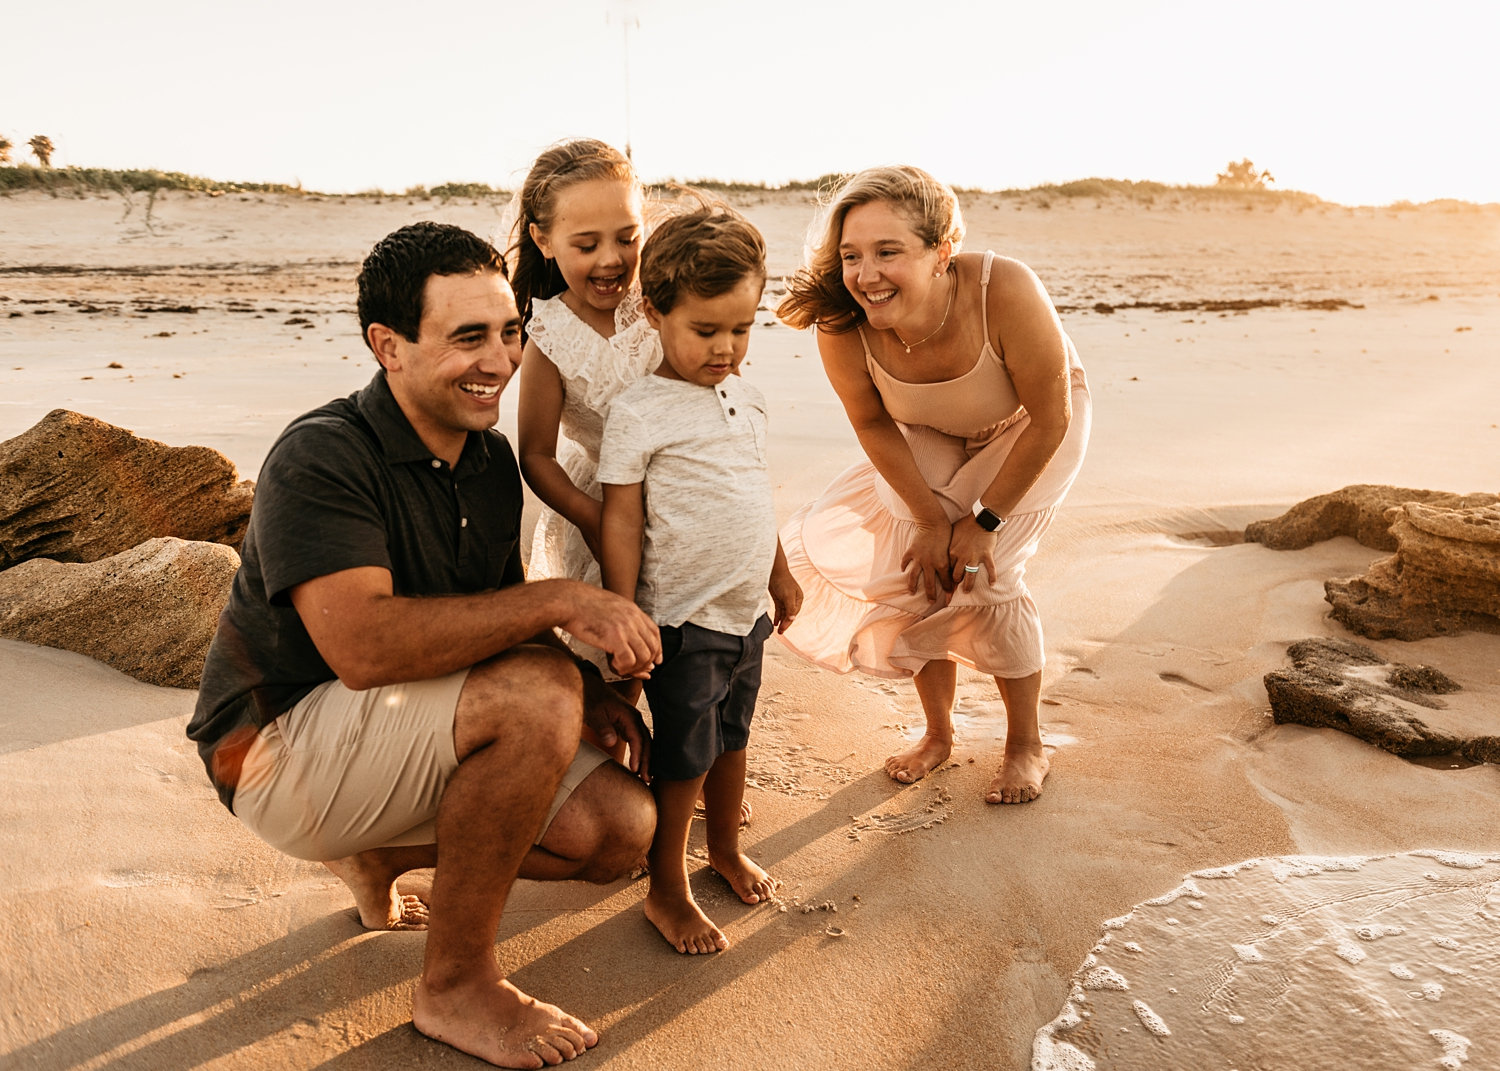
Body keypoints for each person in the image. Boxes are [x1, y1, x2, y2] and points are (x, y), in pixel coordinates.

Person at [186, 221, 661, 1069]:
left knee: (621, 830)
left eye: (510, 332)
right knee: (534, 695)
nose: (500, 361)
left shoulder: (486, 459)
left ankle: (374, 854)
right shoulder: (321, 454)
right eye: (467, 336)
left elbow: (488, 621)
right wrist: (560, 604)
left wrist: (594, 694)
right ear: (388, 345)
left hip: (382, 727)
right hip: (270, 748)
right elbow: (364, 647)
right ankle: (456, 986)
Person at [776, 166, 1091, 805]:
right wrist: (928, 521)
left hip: (1031, 423)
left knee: (990, 572)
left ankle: (1025, 743)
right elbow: (870, 419)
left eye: (888, 252)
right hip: (925, 427)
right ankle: (938, 734)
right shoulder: (844, 322)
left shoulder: (1004, 289)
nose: (866, 275)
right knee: (922, 564)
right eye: (851, 256)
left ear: (941, 251)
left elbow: (1051, 416)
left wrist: (985, 521)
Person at [597, 201, 802, 954]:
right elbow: (622, 517)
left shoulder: (747, 397)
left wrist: (778, 574)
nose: (725, 348)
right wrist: (623, 612)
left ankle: (721, 848)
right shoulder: (641, 410)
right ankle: (667, 886)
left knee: (734, 737)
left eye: (742, 329)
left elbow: (756, 491)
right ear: (655, 313)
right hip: (682, 618)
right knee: (685, 754)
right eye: (706, 330)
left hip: (745, 610)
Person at [507, 138, 658, 666]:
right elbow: (536, 455)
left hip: (687, 493)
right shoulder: (548, 334)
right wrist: (594, 518)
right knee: (622, 656)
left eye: (627, 237)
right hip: (603, 503)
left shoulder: (664, 301)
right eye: (587, 245)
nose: (611, 259)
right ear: (544, 241)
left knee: (696, 655)